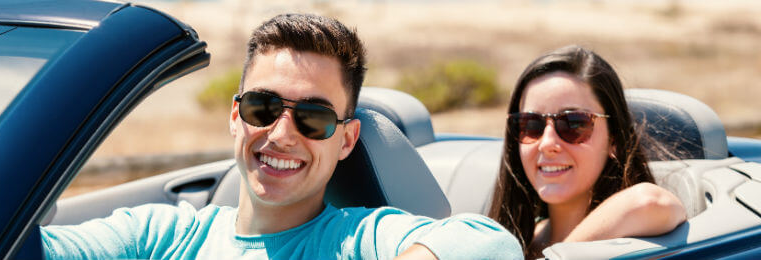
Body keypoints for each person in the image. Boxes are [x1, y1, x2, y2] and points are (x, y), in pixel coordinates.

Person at [42, 13, 522, 259]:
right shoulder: (160, 235)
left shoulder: (360, 240)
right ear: (236, 116)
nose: (283, 134)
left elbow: (491, 243)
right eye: (263, 107)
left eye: (313, 118)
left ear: (347, 140)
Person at [488, 45, 687, 259]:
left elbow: (651, 202)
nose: (547, 143)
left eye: (574, 124)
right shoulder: (513, 241)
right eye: (530, 125)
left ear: (614, 140)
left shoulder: (634, 235)